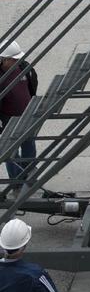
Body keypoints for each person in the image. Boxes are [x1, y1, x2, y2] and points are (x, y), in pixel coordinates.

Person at [0, 40, 38, 192]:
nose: (18, 61)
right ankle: (16, 184)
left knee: (29, 147)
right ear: (4, 60)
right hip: (8, 119)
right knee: (12, 152)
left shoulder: (24, 68)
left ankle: (28, 176)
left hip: (27, 116)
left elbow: (32, 86)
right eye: (14, 59)